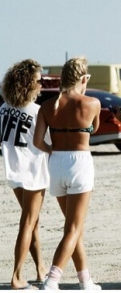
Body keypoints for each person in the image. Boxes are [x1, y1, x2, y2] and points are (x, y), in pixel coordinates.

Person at [33, 56, 101, 290]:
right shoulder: (92, 103)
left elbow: (38, 141)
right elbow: (95, 129)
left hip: (56, 162)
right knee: (73, 228)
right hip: (80, 163)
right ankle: (52, 281)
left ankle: (86, 281)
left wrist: (54, 150)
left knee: (72, 228)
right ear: (83, 78)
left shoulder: (47, 106)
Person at [0, 59, 49, 289]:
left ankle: (40, 269)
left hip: (14, 171)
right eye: (39, 81)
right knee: (28, 222)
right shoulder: (37, 112)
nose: (42, 85)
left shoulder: (2, 110)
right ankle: (16, 276)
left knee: (32, 222)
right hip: (34, 172)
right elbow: (47, 143)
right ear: (27, 83)